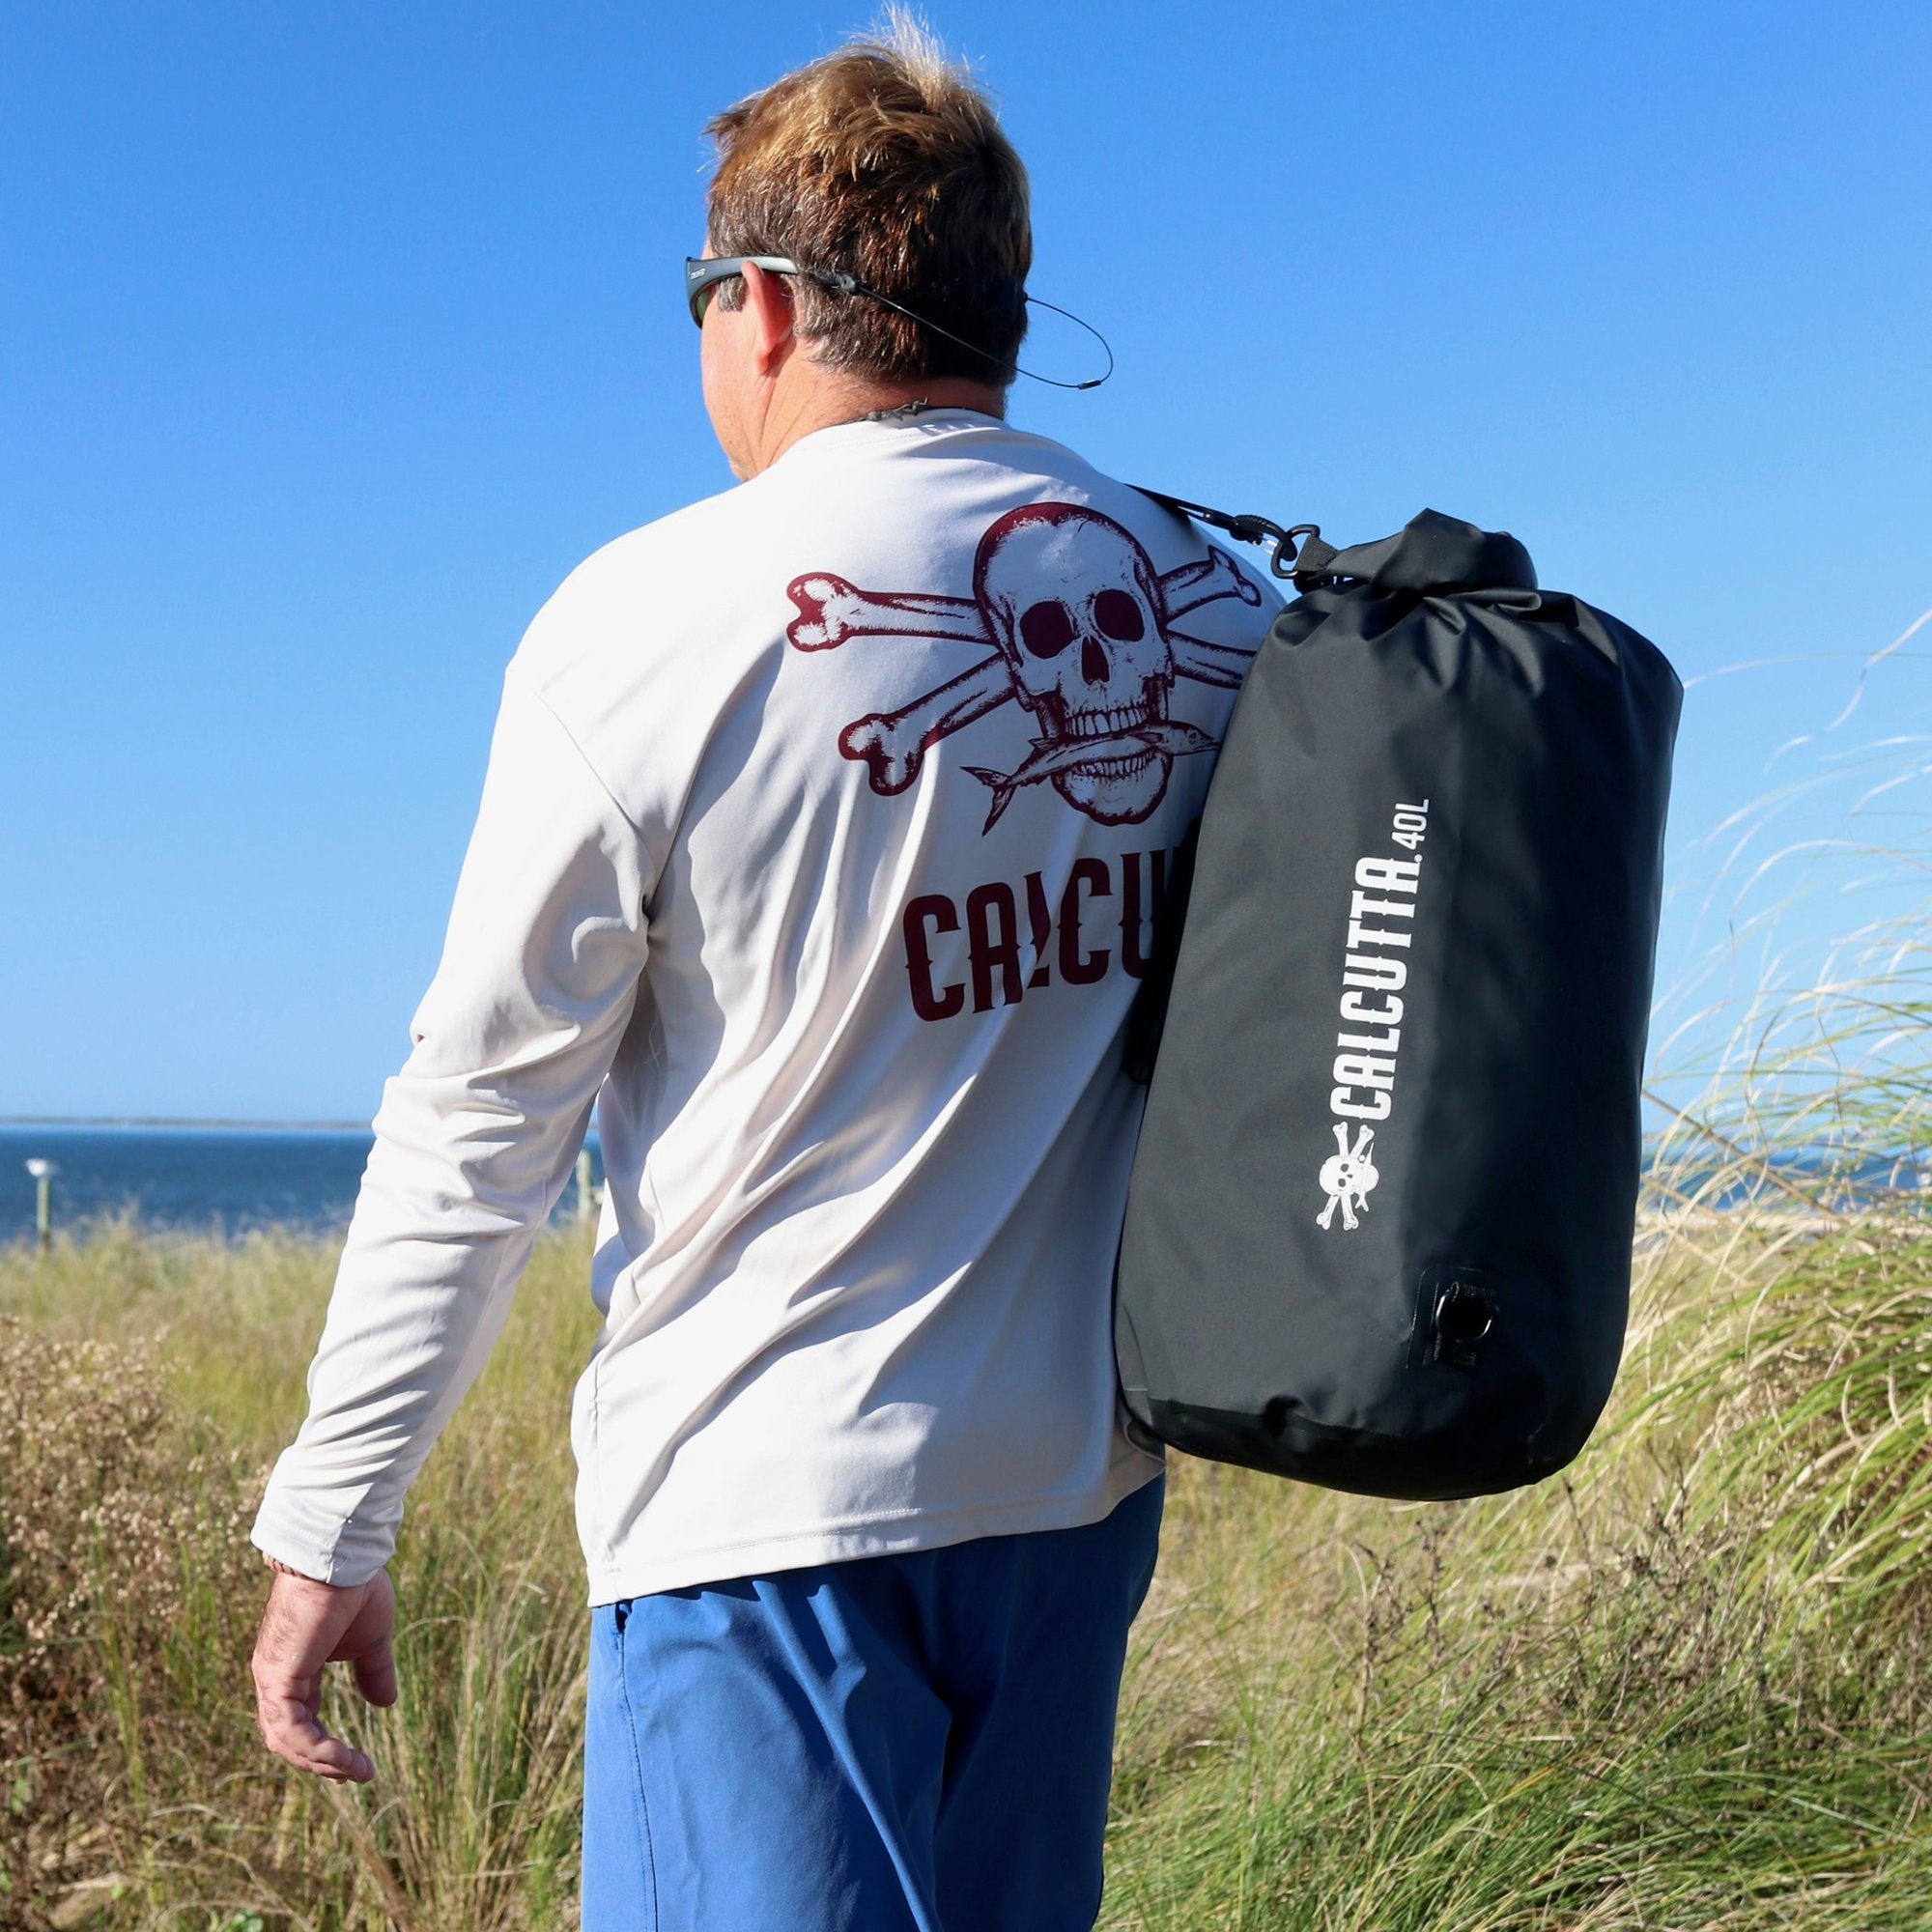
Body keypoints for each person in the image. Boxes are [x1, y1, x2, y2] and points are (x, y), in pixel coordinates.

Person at [248, 23, 1281, 1931]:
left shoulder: (648, 618)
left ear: (770, 309)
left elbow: (485, 1117)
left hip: (761, 1510)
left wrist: (335, 1516)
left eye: (701, 302)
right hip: (1076, 1501)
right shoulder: (1218, 607)